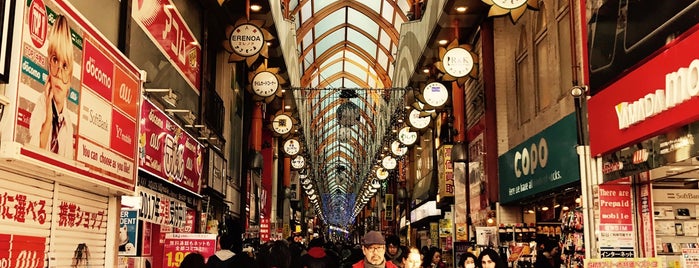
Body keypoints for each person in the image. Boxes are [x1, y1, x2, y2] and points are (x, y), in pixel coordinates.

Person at [29, 14, 75, 159]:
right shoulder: (41, 105)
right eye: (55, 60)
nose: (59, 73)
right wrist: (48, 117)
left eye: (65, 65)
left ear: (70, 79)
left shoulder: (68, 124)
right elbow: (36, 152)